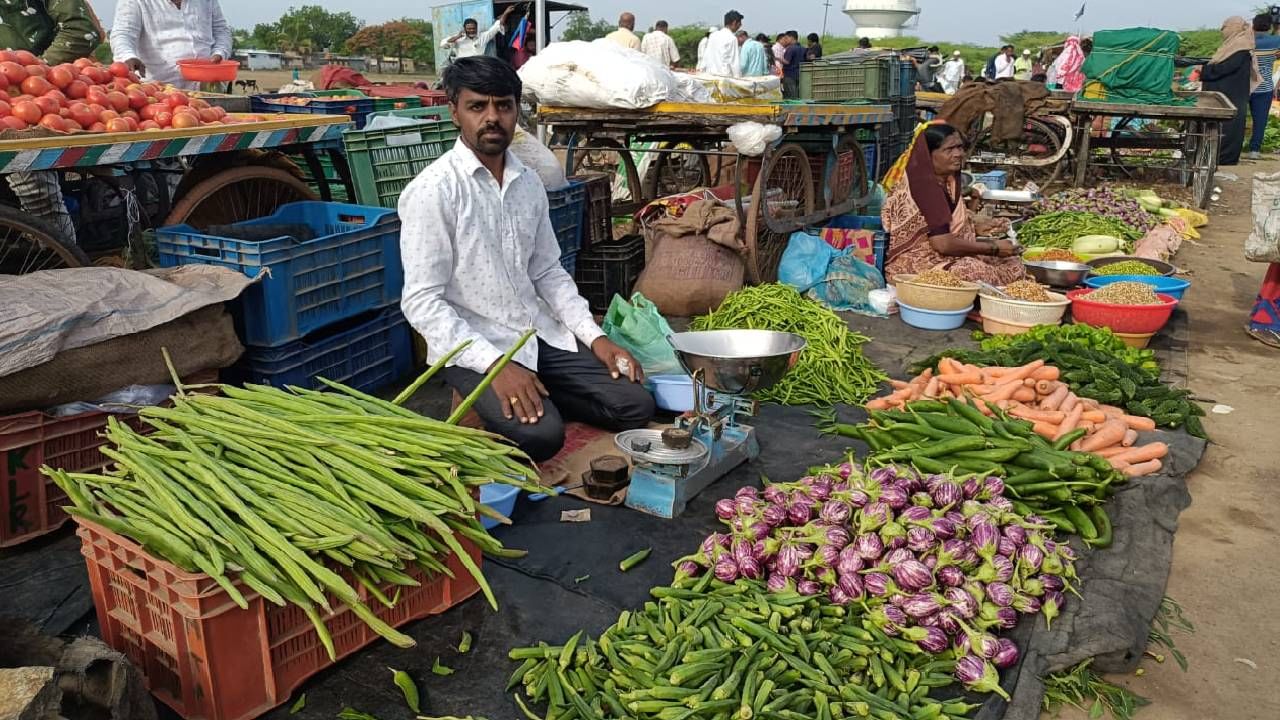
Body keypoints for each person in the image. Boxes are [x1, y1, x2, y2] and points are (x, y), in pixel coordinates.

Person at [399, 57, 654, 462]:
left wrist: (596, 337)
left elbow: (548, 271)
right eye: (477, 106)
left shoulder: (528, 183)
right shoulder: (434, 191)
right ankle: (507, 399)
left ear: (518, 110)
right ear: (454, 111)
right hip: (475, 342)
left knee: (636, 405)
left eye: (503, 105)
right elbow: (422, 302)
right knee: (543, 438)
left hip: (536, 333)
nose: (492, 118)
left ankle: (537, 395)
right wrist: (496, 366)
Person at [0, 0, 101, 249]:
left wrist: (33, 72)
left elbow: (81, 32)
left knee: (29, 178)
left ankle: (60, 259)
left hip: (39, 97)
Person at [879, 123, 1023, 285]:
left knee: (1012, 263)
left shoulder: (948, 181)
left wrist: (975, 228)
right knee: (974, 269)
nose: (958, 154)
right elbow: (943, 244)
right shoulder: (925, 186)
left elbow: (943, 223)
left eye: (960, 148)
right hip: (917, 262)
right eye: (949, 149)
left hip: (942, 254)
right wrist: (993, 247)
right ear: (929, 154)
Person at [110, 0, 230, 90]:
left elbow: (221, 31)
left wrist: (219, 53)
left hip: (207, 88)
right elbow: (123, 34)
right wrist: (127, 56)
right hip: (158, 91)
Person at [1202, 16, 1261, 166]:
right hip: (1228, 91)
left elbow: (1226, 68)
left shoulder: (1240, 46)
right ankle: (1215, 155)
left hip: (1231, 94)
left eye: (1225, 27)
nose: (1223, 30)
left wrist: (1205, 71)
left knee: (1228, 126)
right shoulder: (1233, 45)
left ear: (1235, 28)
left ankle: (1223, 157)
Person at [1249, 14, 1280, 159]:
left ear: (1253, 25)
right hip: (1265, 86)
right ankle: (1254, 151)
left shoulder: (1247, 41)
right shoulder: (1276, 41)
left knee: (1238, 118)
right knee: (1260, 120)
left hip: (1245, 86)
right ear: (1270, 26)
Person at [442, 6, 517, 61]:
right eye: (469, 29)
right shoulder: (458, 39)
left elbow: (497, 26)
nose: (471, 30)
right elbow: (444, 44)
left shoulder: (482, 37)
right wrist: (457, 37)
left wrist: (505, 13)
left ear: (477, 28)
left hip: (477, 67)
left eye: (473, 28)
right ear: (464, 28)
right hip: (462, 68)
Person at [701, 10, 744, 77]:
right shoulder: (732, 38)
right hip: (725, 79)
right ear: (734, 22)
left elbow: (706, 57)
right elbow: (735, 64)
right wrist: (740, 80)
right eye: (740, 23)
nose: (740, 25)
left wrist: (701, 71)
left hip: (710, 77)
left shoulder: (713, 35)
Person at [780, 32, 806, 98]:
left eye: (786, 38)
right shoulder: (803, 48)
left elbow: (787, 62)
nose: (785, 40)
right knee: (797, 94)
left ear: (792, 38)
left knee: (790, 94)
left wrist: (777, 58)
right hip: (799, 74)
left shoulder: (790, 48)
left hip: (789, 75)